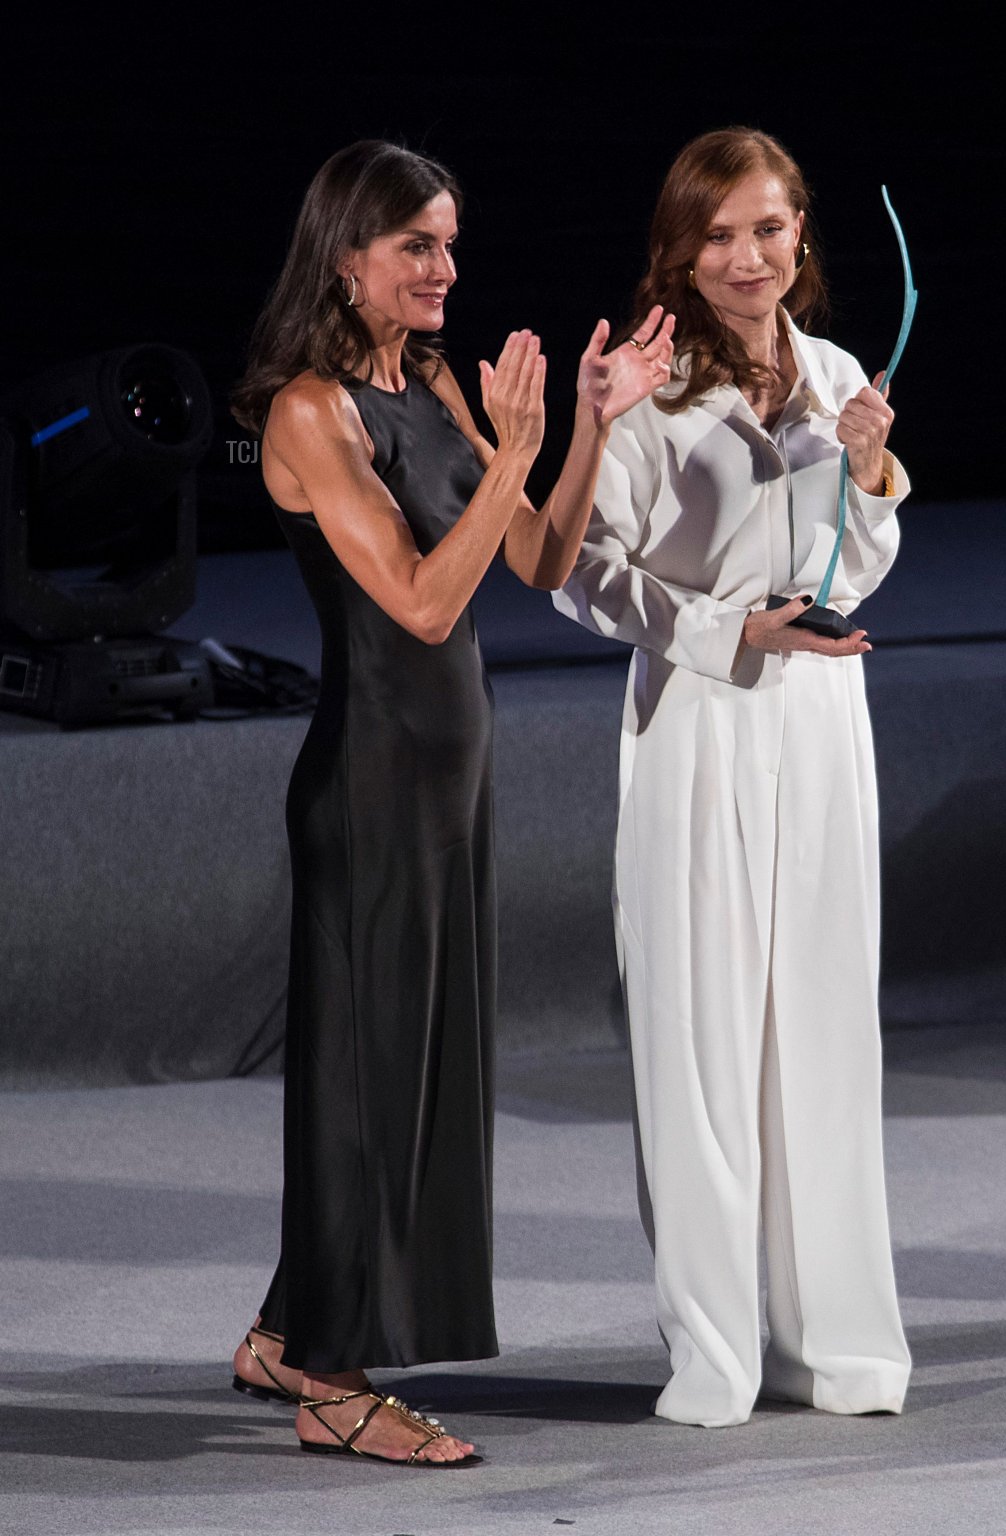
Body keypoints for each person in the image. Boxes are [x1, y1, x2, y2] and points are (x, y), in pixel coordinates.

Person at [226, 139, 673, 1465]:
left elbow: (536, 554)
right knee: (363, 1077)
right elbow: (423, 600)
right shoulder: (311, 415)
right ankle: (333, 1385)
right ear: (346, 256)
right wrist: (508, 457)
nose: (445, 268)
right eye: (417, 245)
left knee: (409, 1070)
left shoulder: (422, 380)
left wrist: (583, 430)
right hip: (367, 783)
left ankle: (282, 1330)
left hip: (448, 781)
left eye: (450, 243)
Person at [553, 127, 912, 1429]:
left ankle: (840, 1347)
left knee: (818, 1026)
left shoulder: (833, 375)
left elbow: (856, 571)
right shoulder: (647, 390)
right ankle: (716, 1351)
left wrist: (866, 470)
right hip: (700, 720)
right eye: (719, 235)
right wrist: (721, 631)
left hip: (819, 724)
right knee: (700, 1039)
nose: (747, 256)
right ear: (682, 250)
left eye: (769, 228)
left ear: (802, 235)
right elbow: (584, 573)